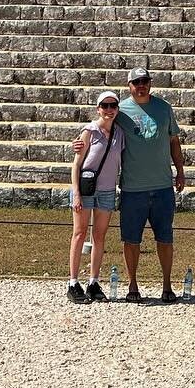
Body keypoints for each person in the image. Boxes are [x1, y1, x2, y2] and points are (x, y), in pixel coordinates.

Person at [77, 68, 186, 302]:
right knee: (131, 240)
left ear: (150, 83)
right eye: (136, 82)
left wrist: (180, 171)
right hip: (132, 187)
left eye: (144, 81)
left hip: (162, 185)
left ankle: (167, 286)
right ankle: (132, 286)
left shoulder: (164, 108)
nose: (141, 85)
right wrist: (80, 142)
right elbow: (100, 124)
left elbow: (174, 141)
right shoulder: (120, 110)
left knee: (165, 238)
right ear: (129, 85)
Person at [67, 90, 125, 304]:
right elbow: (76, 164)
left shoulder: (120, 133)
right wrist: (76, 194)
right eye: (105, 106)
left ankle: (93, 281)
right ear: (98, 109)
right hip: (86, 189)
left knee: (99, 237)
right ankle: (73, 282)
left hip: (108, 189)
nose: (109, 110)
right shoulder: (89, 132)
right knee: (79, 234)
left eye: (113, 106)